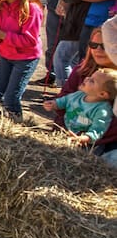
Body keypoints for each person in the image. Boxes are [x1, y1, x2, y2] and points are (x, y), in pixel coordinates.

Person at [48, 27, 117, 166]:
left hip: (103, 140)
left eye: (104, 46)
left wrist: (88, 137)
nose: (98, 50)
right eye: (93, 45)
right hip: (70, 133)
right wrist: (57, 109)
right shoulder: (82, 70)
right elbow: (65, 98)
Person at [43, 68, 116, 147]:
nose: (86, 78)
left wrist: (84, 138)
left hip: (81, 139)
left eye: (92, 81)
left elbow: (98, 129)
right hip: (65, 129)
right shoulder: (78, 95)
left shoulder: (102, 110)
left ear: (102, 94)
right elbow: (65, 100)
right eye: (90, 77)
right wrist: (54, 104)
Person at [52, 0, 89, 86]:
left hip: (76, 30)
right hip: (73, 27)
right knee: (74, 62)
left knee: (61, 59)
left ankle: (65, 88)